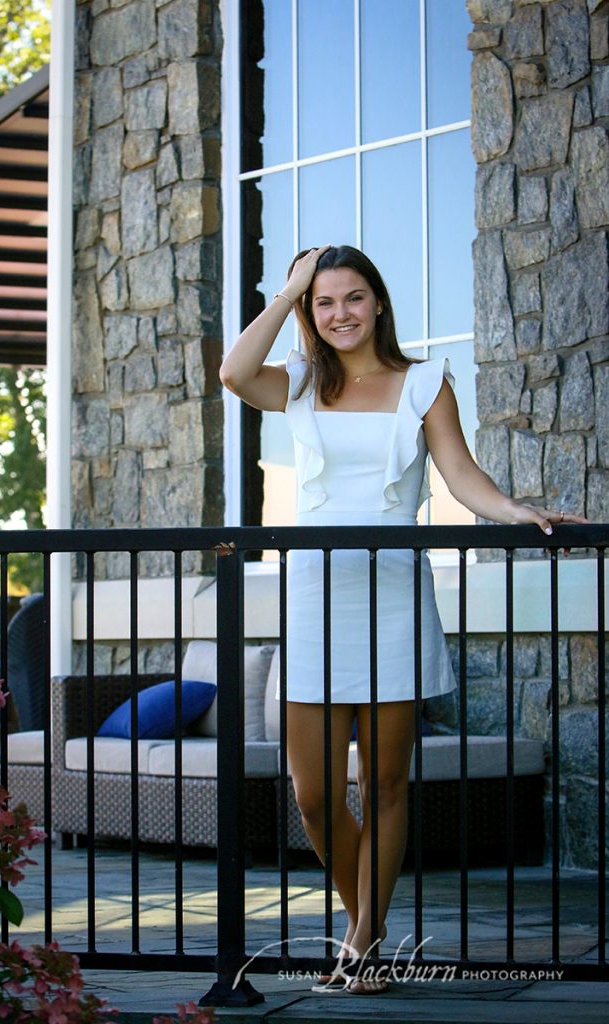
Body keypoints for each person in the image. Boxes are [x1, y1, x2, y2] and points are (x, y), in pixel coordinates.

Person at [219, 244, 586, 994]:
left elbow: (460, 474)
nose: (338, 313)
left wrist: (517, 511)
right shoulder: (293, 382)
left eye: (351, 298)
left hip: (392, 596)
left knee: (385, 784)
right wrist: (287, 292)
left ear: (377, 303)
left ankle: (359, 943)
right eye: (323, 302)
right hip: (317, 596)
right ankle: (373, 925)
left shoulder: (424, 382)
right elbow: (231, 373)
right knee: (314, 795)